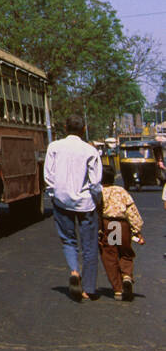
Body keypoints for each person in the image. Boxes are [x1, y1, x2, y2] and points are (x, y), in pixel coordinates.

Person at [45, 114, 103, 301]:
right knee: (89, 245)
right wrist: (99, 201)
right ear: (83, 129)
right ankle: (88, 288)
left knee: (68, 240)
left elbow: (49, 176)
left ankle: (74, 271)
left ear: (64, 127)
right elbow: (95, 183)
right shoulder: (90, 150)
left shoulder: (54, 147)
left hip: (62, 202)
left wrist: (55, 195)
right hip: (86, 203)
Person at [98, 173, 144, 300]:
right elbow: (131, 210)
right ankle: (127, 275)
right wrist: (137, 230)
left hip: (109, 225)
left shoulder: (99, 192)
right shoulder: (121, 191)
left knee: (110, 255)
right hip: (122, 225)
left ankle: (118, 289)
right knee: (125, 252)